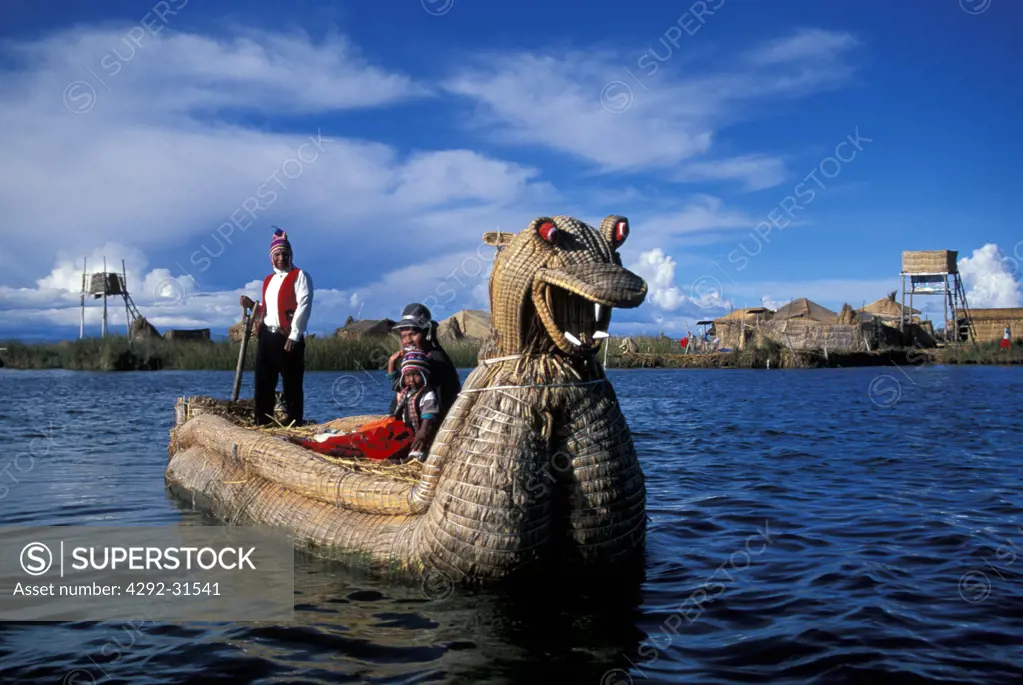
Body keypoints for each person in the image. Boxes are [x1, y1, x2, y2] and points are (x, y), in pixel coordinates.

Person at [240, 227, 313, 426]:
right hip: (268, 339)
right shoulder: (268, 280)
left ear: (291, 255)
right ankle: (262, 423)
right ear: (271, 258)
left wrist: (294, 335)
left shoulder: (300, 276)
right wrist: (251, 306)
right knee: (263, 383)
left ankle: (294, 424)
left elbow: (303, 306)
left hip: (288, 338)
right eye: (277, 254)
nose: (281, 258)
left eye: (285, 254)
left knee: (292, 385)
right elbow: (268, 310)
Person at [387, 303, 461, 423]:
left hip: (432, 421)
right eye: (404, 336)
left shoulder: (435, 359)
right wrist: (391, 363)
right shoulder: (416, 358)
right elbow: (399, 385)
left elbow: (435, 400)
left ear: (427, 333)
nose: (408, 341)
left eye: (413, 334)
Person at [393, 350, 441, 461]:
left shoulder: (428, 393)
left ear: (423, 374)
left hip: (423, 433)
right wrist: (392, 362)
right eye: (407, 376)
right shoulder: (407, 392)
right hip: (408, 432)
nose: (411, 379)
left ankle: (414, 456)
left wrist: (422, 432)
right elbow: (393, 380)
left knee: (417, 452)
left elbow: (429, 414)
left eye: (415, 374)